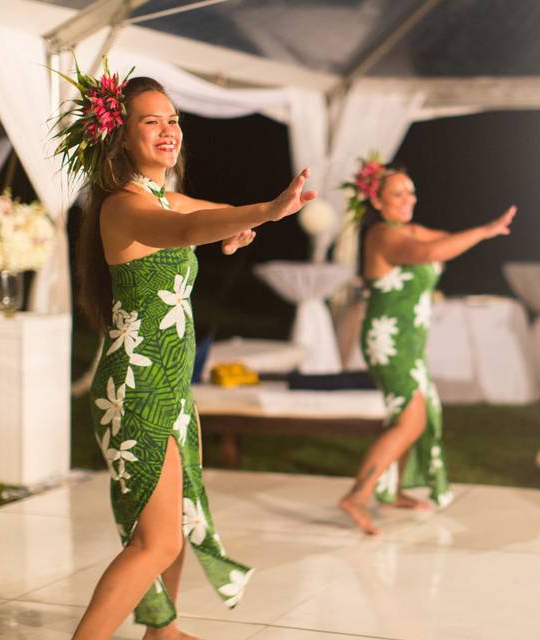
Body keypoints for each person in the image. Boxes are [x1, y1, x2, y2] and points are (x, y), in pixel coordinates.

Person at [54, 66, 315, 639]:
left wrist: (240, 223)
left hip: (168, 382)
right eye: (152, 121)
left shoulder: (161, 197)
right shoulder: (122, 205)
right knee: (159, 538)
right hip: (137, 386)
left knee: (174, 517)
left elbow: (199, 216)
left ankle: (162, 633)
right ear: (120, 136)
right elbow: (188, 227)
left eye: (173, 119)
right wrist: (262, 213)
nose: (169, 130)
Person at [338, 157, 516, 535]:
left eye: (411, 192)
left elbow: (440, 242)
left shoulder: (411, 230)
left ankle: (395, 490)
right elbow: (431, 254)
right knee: (410, 418)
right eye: (397, 193)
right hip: (389, 340)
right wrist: (483, 231)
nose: (408, 199)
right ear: (378, 202)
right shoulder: (383, 236)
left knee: (416, 417)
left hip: (411, 341)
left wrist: (482, 231)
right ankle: (359, 494)